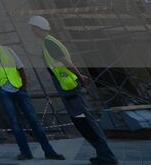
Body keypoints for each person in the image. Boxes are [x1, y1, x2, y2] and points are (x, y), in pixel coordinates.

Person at [28, 16, 117, 165]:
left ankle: (106, 155)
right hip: (67, 87)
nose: (31, 31)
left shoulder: (49, 42)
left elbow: (66, 62)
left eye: (32, 28)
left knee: (85, 121)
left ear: (37, 28)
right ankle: (102, 153)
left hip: (69, 88)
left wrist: (79, 75)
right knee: (82, 121)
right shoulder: (50, 42)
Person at [0, 25, 64, 162]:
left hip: (19, 89)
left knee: (34, 121)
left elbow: (20, 68)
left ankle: (49, 151)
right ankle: (25, 152)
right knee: (15, 122)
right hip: (4, 91)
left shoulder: (8, 50)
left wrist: (24, 86)